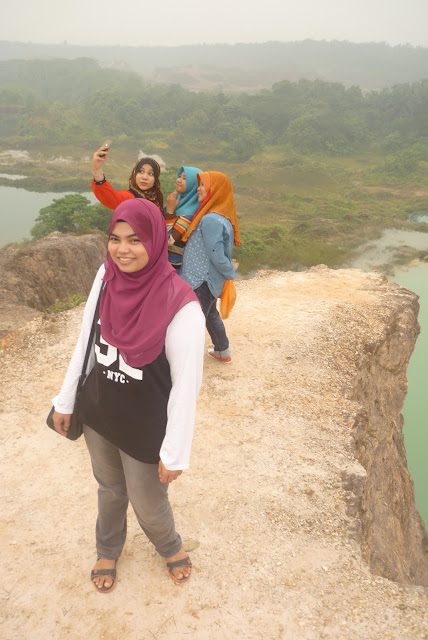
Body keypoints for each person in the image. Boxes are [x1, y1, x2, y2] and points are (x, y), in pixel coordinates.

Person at [51, 198, 205, 592]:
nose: (123, 249)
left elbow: (186, 387)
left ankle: (169, 546)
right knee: (109, 488)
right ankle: (108, 548)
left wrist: (174, 452)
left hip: (146, 425)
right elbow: (86, 339)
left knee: (148, 502)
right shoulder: (106, 276)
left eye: (136, 239)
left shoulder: (182, 305)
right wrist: (66, 400)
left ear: (156, 242)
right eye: (115, 239)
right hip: (101, 412)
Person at [180, 170, 241, 364]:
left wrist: (230, 270)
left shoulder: (210, 219)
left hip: (201, 280)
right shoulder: (220, 217)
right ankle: (222, 351)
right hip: (208, 280)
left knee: (193, 321)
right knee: (210, 314)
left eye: (203, 184)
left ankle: (187, 361)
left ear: (214, 190)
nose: (198, 188)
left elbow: (216, 254)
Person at [91, 143, 164, 211]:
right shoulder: (130, 198)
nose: (144, 177)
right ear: (134, 175)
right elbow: (110, 197)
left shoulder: (157, 200)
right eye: (141, 171)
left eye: (150, 174)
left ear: (155, 180)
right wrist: (97, 169)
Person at [164, 166, 203, 269]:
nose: (178, 180)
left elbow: (168, 241)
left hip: (173, 267)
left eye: (184, 178)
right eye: (179, 176)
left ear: (193, 184)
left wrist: (169, 212)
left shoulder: (188, 215)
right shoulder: (178, 203)